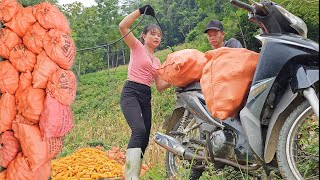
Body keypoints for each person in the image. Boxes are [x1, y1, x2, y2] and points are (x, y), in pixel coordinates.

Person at [118, 4, 171, 180]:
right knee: (139, 130)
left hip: (146, 95)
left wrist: (176, 77)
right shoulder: (137, 47)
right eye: (153, 34)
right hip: (131, 92)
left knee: (145, 137)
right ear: (144, 36)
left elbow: (160, 87)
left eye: (159, 35)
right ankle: (131, 176)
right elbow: (123, 26)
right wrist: (140, 11)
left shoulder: (157, 60)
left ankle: (135, 174)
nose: (157, 37)